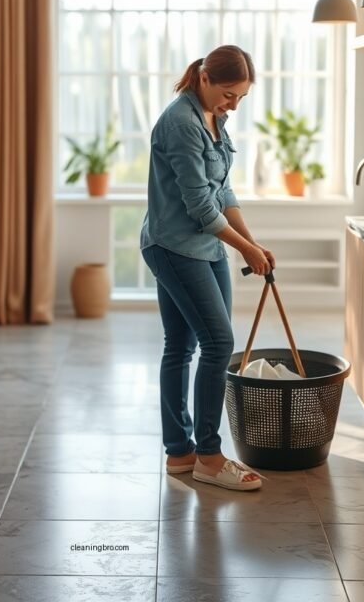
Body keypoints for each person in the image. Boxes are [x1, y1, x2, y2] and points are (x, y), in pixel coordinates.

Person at [140, 44, 275, 492]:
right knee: (218, 342)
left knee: (180, 345)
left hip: (207, 247)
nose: (233, 104)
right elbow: (200, 207)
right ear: (203, 77)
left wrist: (250, 244)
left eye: (240, 97)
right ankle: (210, 457)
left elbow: (224, 192)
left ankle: (180, 454)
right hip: (175, 246)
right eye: (229, 94)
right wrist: (245, 251)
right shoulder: (181, 122)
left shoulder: (214, 118)